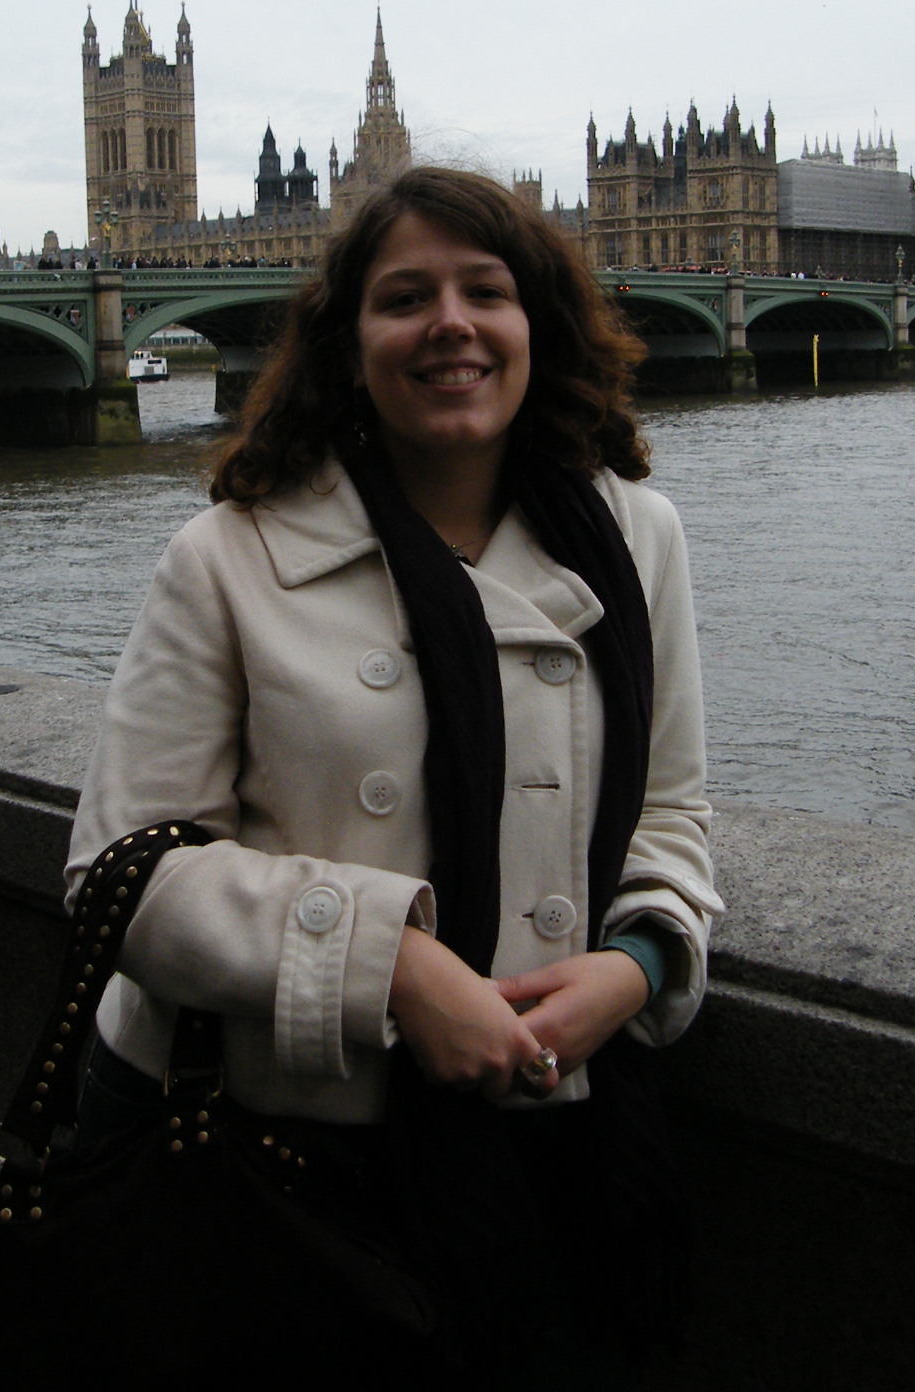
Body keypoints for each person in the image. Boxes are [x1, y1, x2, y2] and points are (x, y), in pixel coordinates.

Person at [66, 165, 720, 1379]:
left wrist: (638, 968)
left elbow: (670, 810)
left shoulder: (639, 536)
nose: (452, 327)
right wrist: (393, 966)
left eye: (488, 291)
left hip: (561, 1134)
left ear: (541, 324)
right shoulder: (227, 557)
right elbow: (121, 875)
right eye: (404, 298)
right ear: (346, 341)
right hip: (286, 1164)